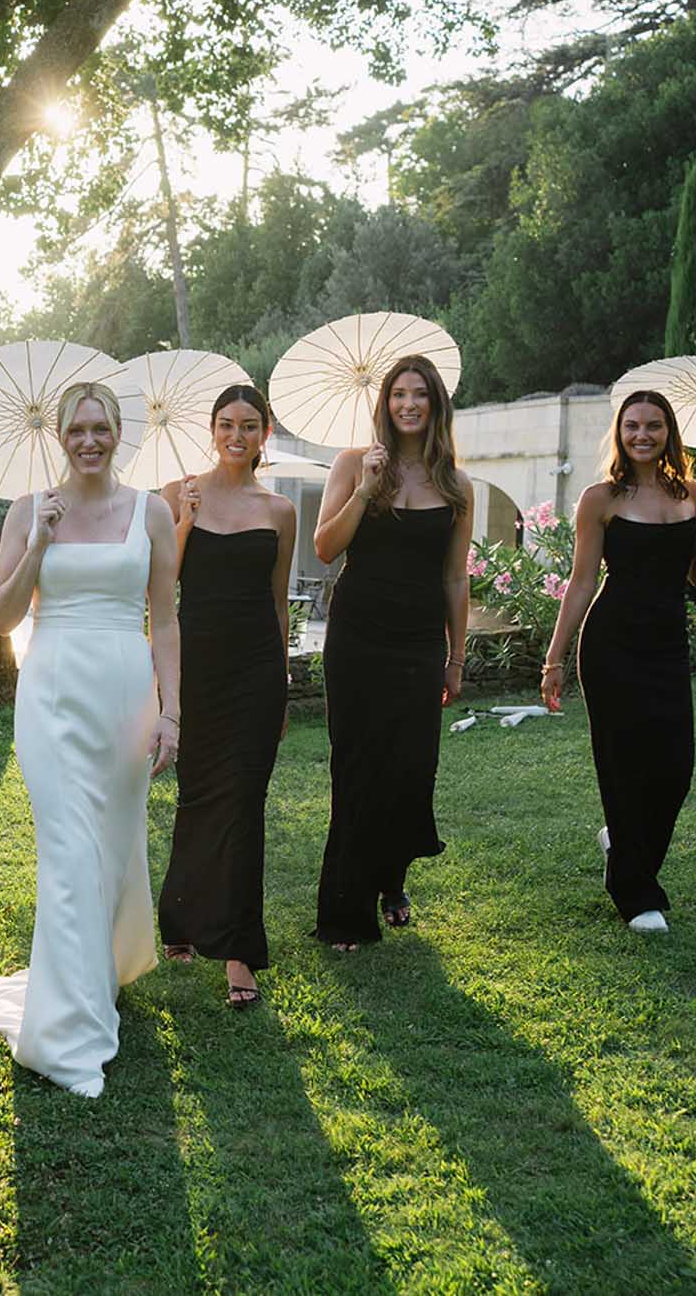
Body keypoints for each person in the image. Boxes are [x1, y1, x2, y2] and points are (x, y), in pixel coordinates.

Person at [0, 381, 180, 1097]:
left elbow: (163, 620)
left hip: (126, 690)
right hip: (51, 691)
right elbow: (2, 618)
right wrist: (39, 541)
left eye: (101, 427)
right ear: (59, 436)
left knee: (113, 841)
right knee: (69, 850)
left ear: (118, 432)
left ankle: (99, 968)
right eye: (77, 429)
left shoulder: (153, 512)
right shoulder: (25, 511)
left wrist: (170, 711)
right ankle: (69, 1032)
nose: (89, 440)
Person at [540, 389, 696, 933]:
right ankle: (635, 893)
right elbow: (580, 583)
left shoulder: (692, 493)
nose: (642, 435)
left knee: (674, 769)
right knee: (621, 767)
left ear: (670, 433)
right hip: (611, 645)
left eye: (654, 426)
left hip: (667, 646)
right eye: (632, 426)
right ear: (619, 433)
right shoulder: (600, 498)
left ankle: (622, 847)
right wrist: (554, 659)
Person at [310, 355, 473, 949]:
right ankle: (345, 914)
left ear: (435, 404)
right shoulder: (354, 463)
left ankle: (390, 878)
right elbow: (325, 547)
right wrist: (365, 490)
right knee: (356, 769)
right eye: (398, 394)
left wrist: (456, 658)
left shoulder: (455, 483)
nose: (408, 404)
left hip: (418, 640)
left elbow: (456, 579)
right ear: (384, 403)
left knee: (410, 771)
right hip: (358, 637)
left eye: (419, 394)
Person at [157, 384, 296, 1009]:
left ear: (264, 433)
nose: (236, 435)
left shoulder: (280, 510)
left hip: (257, 669)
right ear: (210, 430)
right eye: (225, 424)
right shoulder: (177, 492)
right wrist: (183, 520)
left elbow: (277, 603)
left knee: (244, 801)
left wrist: (285, 680)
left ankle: (239, 949)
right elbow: (161, 587)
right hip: (197, 663)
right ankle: (181, 918)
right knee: (197, 794)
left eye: (248, 425)